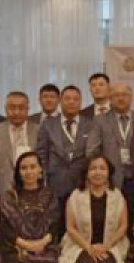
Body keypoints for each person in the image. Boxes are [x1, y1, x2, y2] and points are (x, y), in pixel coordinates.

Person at [57, 156, 129, 263]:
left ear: (109, 172)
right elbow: (70, 228)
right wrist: (89, 248)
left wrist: (105, 246)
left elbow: (123, 226)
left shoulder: (117, 196)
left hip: (111, 245)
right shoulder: (76, 196)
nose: (98, 172)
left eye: (102, 168)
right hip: (80, 244)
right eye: (93, 168)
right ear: (87, 173)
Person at [0, 152, 60, 263]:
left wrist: (42, 243)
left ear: (40, 170)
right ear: (18, 172)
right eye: (24, 168)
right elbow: (5, 229)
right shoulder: (10, 197)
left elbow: (55, 225)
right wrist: (26, 244)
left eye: (33, 167)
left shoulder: (50, 195)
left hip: (45, 247)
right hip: (16, 249)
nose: (29, 171)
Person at [86, 82, 134, 226]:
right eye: (116, 95)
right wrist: (101, 172)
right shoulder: (100, 120)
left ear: (131, 97)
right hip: (110, 180)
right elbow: (91, 151)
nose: (121, 98)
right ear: (110, 98)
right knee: (113, 221)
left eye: (124, 95)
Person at [36, 85, 92, 219]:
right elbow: (42, 155)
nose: (71, 102)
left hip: (82, 184)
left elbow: (93, 154)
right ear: (60, 101)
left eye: (75, 99)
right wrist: (43, 183)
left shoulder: (90, 124)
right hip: (55, 184)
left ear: (81, 102)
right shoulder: (47, 125)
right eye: (67, 99)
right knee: (56, 223)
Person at [0, 91, 39, 196]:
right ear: (5, 109)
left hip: (35, 191)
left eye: (21, 108)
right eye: (12, 108)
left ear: (28, 109)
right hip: (4, 192)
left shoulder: (39, 131)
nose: (16, 112)